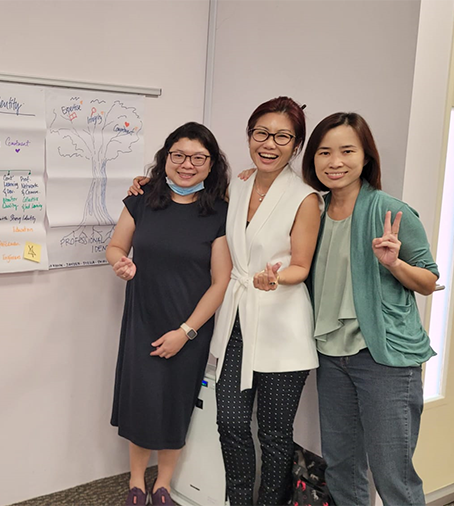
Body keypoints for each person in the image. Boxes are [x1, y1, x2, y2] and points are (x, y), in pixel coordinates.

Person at [130, 97, 322, 506]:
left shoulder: (305, 198)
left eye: (283, 136)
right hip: (234, 320)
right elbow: (189, 197)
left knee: (273, 433)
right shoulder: (238, 185)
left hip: (282, 327)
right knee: (230, 422)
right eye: (261, 133)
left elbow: (301, 265)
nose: (270, 144)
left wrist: (276, 277)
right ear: (250, 136)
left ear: (296, 144)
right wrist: (145, 184)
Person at [301, 112, 437, 506]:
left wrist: (394, 263)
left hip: (384, 359)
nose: (335, 161)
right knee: (342, 468)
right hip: (331, 356)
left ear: (366, 157)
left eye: (347, 151)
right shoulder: (313, 211)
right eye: (324, 152)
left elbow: (429, 281)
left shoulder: (389, 210)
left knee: (392, 474)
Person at [108, 122, 232, 506]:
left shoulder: (219, 213)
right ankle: (135, 482)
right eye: (179, 155)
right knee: (141, 402)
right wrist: (121, 264)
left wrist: (187, 332)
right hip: (143, 319)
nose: (187, 164)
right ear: (166, 159)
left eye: (198, 157)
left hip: (189, 326)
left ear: (211, 165)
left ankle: (163, 483)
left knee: (176, 405)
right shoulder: (142, 200)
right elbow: (115, 247)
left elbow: (220, 281)